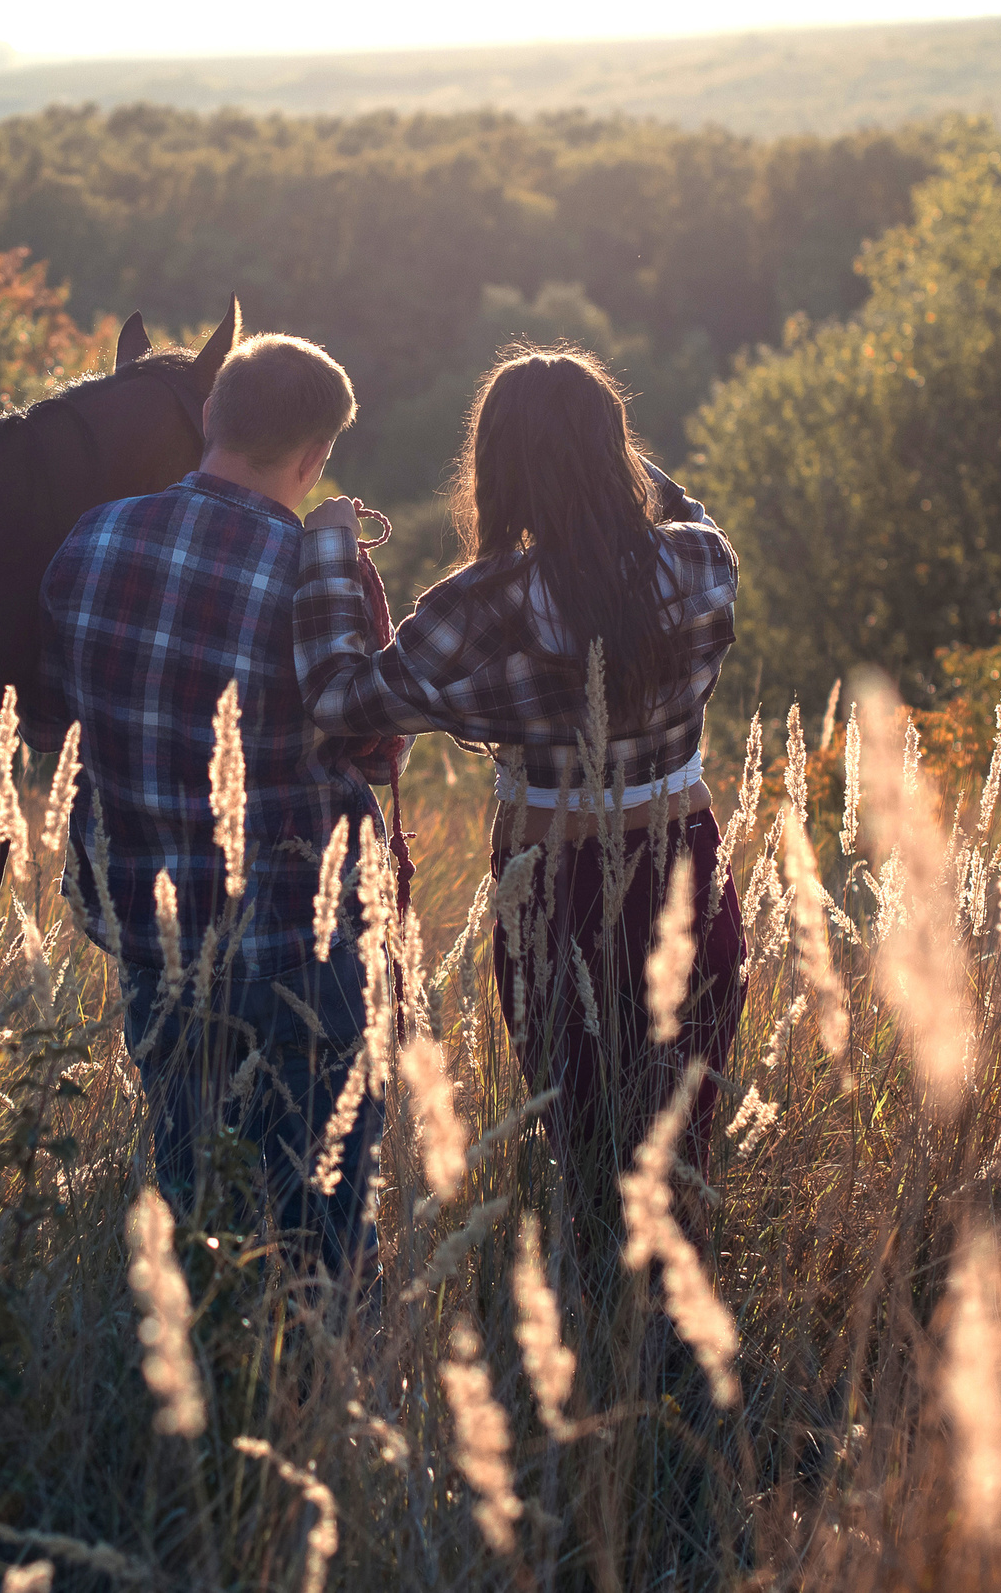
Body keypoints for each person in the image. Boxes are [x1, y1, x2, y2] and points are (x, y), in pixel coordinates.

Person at [294, 346, 744, 1245]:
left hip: (552, 884)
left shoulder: (481, 603)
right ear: (613, 451)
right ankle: (677, 1321)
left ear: (497, 469)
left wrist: (330, 549)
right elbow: (687, 511)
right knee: (681, 1149)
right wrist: (623, 466)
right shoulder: (700, 561)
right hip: (688, 863)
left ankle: (600, 1316)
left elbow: (339, 699)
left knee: (583, 1149)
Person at [33, 332, 394, 1286]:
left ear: (212, 418)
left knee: (197, 1213)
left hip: (157, 944)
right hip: (297, 949)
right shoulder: (315, 573)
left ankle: (200, 1365)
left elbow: (62, 714)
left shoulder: (89, 541)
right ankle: (313, 1374)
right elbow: (376, 745)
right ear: (316, 455)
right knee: (323, 1236)